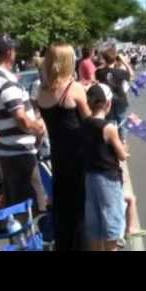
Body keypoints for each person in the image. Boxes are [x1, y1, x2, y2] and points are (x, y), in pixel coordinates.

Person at [37, 43, 92, 250]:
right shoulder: (74, 89)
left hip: (58, 155)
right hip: (78, 155)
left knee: (63, 205)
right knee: (80, 208)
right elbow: (89, 123)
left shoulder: (40, 92)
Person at [0, 33, 47, 221]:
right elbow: (22, 119)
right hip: (20, 153)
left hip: (6, 151)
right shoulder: (6, 82)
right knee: (32, 208)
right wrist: (38, 128)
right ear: (9, 53)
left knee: (16, 207)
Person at [83, 83, 129, 251]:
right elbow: (121, 155)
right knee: (111, 222)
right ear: (108, 103)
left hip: (89, 176)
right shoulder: (108, 128)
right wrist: (124, 145)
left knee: (94, 223)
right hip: (108, 178)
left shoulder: (85, 123)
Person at [96, 48, 134, 143]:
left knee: (110, 121)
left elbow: (96, 74)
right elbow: (131, 75)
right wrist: (124, 62)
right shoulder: (120, 72)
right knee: (122, 120)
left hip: (107, 100)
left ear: (105, 59)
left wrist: (105, 63)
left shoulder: (100, 72)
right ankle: (123, 140)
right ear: (115, 58)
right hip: (120, 99)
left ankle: (113, 140)